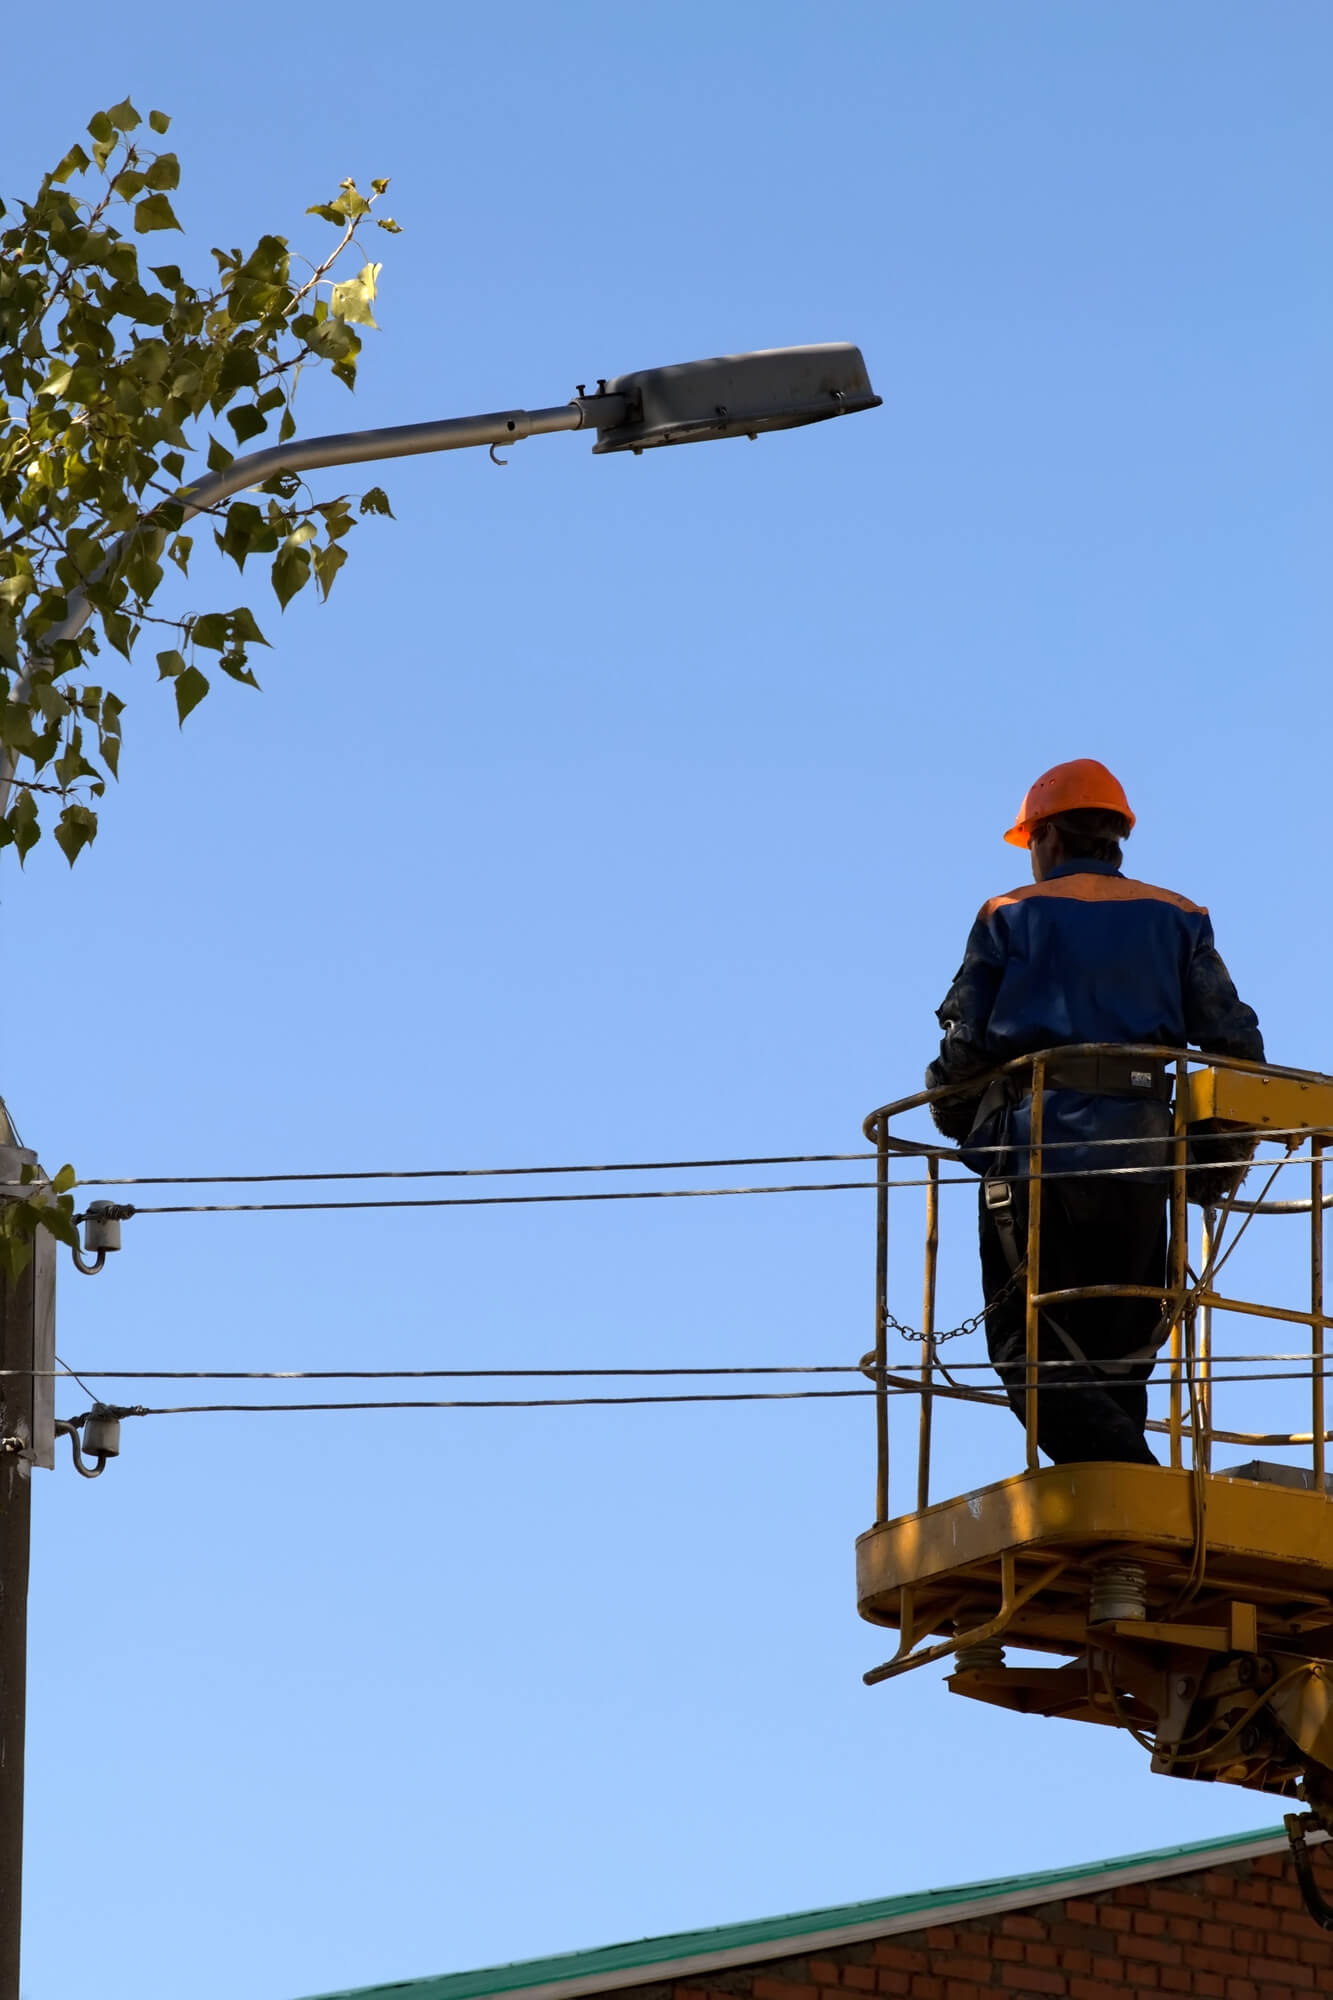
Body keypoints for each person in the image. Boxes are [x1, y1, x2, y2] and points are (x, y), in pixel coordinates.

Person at [926, 759, 1264, 1467]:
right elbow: (1236, 1048)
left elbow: (964, 1049)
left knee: (1028, 1357)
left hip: (1037, 1161)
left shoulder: (1008, 915)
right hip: (1145, 1166)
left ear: (1045, 836)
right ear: (1114, 838)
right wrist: (1214, 1160)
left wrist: (955, 1114)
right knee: (1118, 1364)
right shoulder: (1178, 918)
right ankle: (1130, 1532)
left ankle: (1139, 1493)